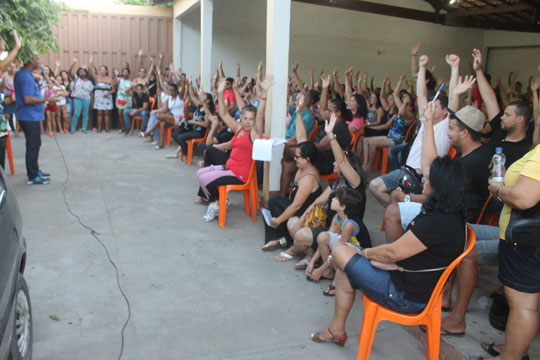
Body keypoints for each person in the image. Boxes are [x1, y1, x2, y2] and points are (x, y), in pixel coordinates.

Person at [311, 104, 472, 346]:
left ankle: (336, 329)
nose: (423, 179)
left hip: (404, 295)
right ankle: (336, 329)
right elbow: (429, 163)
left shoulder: (438, 222)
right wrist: (428, 123)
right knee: (345, 264)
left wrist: (363, 253)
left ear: (439, 186)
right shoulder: (449, 212)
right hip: (410, 283)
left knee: (342, 252)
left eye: (428, 179)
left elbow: (391, 252)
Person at [481, 141, 540, 360]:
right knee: (524, 304)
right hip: (526, 241)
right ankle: (514, 350)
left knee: (523, 305)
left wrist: (498, 189)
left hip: (527, 242)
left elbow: (524, 197)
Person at [369, 55, 450, 208]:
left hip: (423, 177)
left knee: (398, 200)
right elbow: (421, 94)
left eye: (435, 106)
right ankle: (400, 211)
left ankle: (401, 212)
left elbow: (454, 98)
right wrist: (422, 67)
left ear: (445, 112)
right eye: (429, 105)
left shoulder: (445, 126)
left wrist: (455, 68)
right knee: (375, 186)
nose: (429, 107)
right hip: (406, 170)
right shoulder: (425, 120)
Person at [196, 75, 271, 221]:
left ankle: (214, 204)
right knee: (199, 174)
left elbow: (260, 113)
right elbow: (223, 113)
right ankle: (219, 202)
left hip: (240, 174)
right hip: (229, 167)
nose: (248, 122)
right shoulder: (238, 129)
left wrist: (264, 94)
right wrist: (219, 92)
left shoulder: (254, 134)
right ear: (241, 118)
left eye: (251, 119)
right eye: (245, 118)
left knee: (205, 179)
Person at [14, 52, 51, 185]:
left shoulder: (25, 74)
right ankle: (32, 175)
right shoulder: (25, 76)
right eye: (37, 58)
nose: (39, 61)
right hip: (29, 116)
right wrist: (46, 99)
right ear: (30, 60)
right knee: (33, 145)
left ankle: (35, 170)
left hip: (30, 116)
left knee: (35, 144)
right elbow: (27, 99)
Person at [68, 58, 94, 133]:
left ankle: (84, 128)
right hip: (77, 99)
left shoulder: (90, 81)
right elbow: (69, 72)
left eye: (83, 71)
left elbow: (91, 93)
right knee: (76, 113)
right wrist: (74, 63)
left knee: (85, 114)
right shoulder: (76, 79)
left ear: (86, 72)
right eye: (80, 71)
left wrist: (92, 102)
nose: (81, 73)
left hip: (86, 99)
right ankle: (73, 128)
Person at [90, 63, 114, 133]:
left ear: (106, 71)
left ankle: (106, 127)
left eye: (104, 70)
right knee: (99, 113)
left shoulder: (110, 78)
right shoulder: (97, 77)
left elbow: (113, 89)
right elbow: (91, 73)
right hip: (99, 97)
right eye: (101, 70)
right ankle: (99, 128)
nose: (102, 71)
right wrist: (91, 63)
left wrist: (108, 93)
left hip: (107, 96)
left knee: (106, 113)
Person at [114, 66, 133, 133]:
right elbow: (114, 84)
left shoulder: (131, 81)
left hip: (128, 98)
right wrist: (116, 75)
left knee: (127, 113)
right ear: (122, 73)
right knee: (120, 112)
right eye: (124, 72)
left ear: (129, 73)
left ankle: (128, 126)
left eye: (126, 72)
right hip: (121, 97)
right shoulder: (119, 79)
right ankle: (122, 127)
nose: (125, 73)